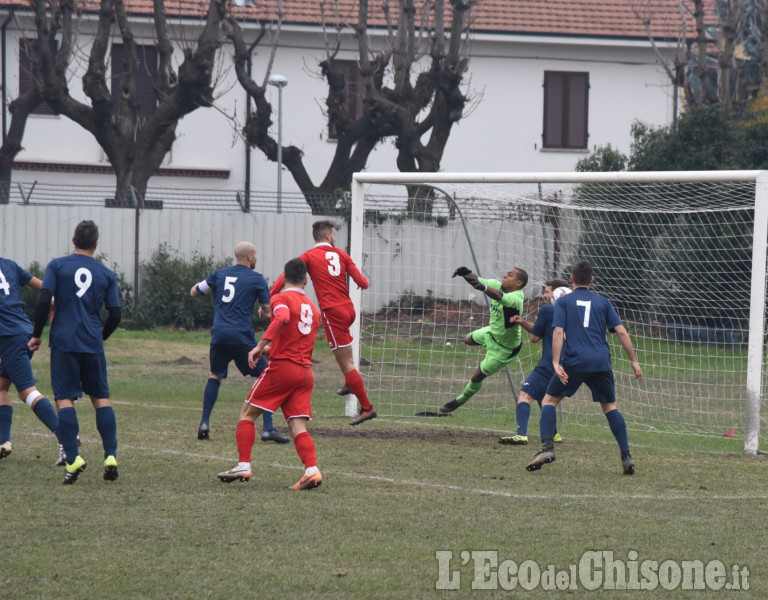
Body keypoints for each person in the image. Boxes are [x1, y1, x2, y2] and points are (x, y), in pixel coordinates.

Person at [525, 260, 643, 475]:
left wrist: (555, 362)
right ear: (592, 280)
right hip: (600, 361)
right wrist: (633, 360)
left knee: (548, 400)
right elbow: (622, 332)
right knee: (610, 406)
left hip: (574, 361)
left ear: (571, 280)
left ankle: (548, 449)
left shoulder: (563, 302)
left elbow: (558, 332)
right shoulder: (604, 302)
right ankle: (626, 455)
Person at [28, 220, 122, 485]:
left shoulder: (57, 266)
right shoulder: (106, 273)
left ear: (73, 240)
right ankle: (111, 456)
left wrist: (36, 334)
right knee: (101, 398)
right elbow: (115, 314)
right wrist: (100, 336)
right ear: (96, 244)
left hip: (64, 341)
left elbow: (44, 300)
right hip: (91, 342)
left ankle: (74, 457)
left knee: (65, 399)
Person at [218, 258, 323, 490]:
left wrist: (259, 346)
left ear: (283, 279)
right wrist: (268, 349)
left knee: (247, 413)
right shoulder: (313, 310)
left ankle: (243, 465)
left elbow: (283, 318)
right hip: (305, 372)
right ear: (306, 281)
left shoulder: (281, 298)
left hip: (283, 369)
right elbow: (296, 340)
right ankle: (312, 470)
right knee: (297, 426)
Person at [270, 220, 375, 426]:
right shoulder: (342, 255)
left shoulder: (307, 256)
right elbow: (363, 283)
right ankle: (349, 383)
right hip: (349, 310)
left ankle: (367, 408)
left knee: (347, 364)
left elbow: (285, 277)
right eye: (334, 234)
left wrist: (270, 296)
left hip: (332, 312)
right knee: (344, 356)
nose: (335, 237)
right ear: (328, 236)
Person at [190, 242, 288, 444]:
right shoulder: (257, 279)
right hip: (242, 336)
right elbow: (267, 311)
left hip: (219, 334)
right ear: (251, 256)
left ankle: (204, 423)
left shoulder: (219, 274)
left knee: (215, 375)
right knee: (266, 373)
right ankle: (268, 428)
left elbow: (195, 291)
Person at [440, 266, 528, 413]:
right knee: (467, 340)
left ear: (518, 283)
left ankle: (460, 400)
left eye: (510, 275)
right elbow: (478, 280)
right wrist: (467, 274)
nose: (505, 275)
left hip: (504, 349)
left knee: (476, 377)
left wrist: (484, 288)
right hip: (491, 333)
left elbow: (500, 297)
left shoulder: (516, 299)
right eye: (506, 272)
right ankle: (485, 347)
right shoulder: (496, 284)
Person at [0, 257, 61, 462]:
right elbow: (43, 287)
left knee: (27, 391)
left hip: (9, 337)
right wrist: (56, 301)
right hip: (24, 331)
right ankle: (3, 442)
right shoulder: (8, 264)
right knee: (1, 386)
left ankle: (65, 437)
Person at [498, 279, 569, 446]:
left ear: (558, 294)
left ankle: (521, 434)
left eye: (548, 292)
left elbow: (535, 337)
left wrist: (526, 323)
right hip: (570, 366)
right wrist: (523, 322)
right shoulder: (573, 311)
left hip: (550, 364)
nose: (544, 295)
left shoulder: (547, 310)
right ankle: (555, 433)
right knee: (545, 397)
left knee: (525, 395)